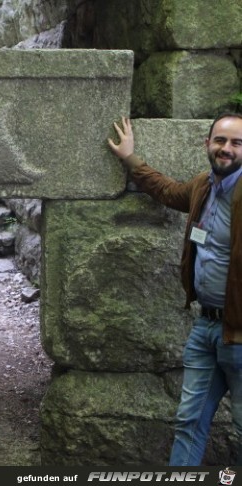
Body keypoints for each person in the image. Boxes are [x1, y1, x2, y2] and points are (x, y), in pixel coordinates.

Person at [107, 114, 242, 466]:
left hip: (240, 335)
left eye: (237, 143)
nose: (226, 149)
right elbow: (167, 191)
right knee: (188, 422)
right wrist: (129, 157)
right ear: (207, 143)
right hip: (205, 329)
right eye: (220, 141)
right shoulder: (203, 186)